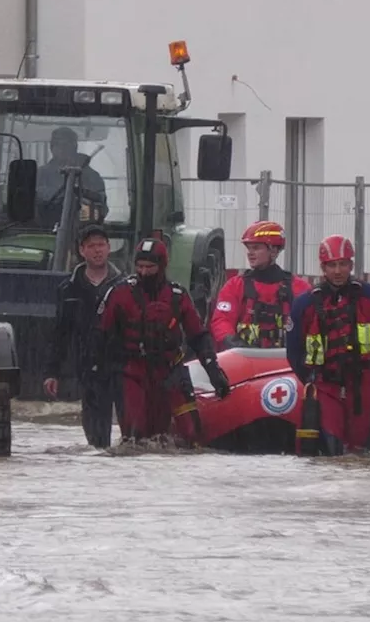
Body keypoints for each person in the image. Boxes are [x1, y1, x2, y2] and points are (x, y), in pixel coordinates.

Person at [97, 237, 231, 446]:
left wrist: (214, 372)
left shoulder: (177, 296)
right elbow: (101, 336)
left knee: (191, 435)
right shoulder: (120, 294)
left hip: (170, 372)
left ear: (162, 266)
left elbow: (198, 336)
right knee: (136, 437)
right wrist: (100, 376)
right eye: (139, 266)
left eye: (149, 267)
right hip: (133, 373)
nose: (143, 272)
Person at [286, 235, 370, 455]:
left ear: (351, 265)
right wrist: (311, 380)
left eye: (343, 264)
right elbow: (294, 350)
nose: (338, 271)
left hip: (361, 381)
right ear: (323, 268)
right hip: (325, 382)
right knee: (332, 446)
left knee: (359, 449)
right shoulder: (304, 304)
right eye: (332, 265)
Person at [43, 225, 125, 448]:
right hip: (87, 365)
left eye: (101, 245)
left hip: (120, 364)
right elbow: (60, 332)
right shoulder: (69, 289)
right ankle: (97, 465)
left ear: (109, 248)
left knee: (129, 424)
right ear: (82, 250)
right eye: (91, 246)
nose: (97, 250)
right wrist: (52, 372)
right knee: (95, 432)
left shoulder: (123, 286)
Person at [210, 220, 312, 350]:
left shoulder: (299, 288)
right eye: (249, 248)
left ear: (274, 251)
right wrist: (233, 342)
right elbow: (221, 320)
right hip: (246, 359)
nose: (250, 253)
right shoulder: (235, 286)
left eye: (256, 248)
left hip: (284, 361)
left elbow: (312, 324)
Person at [35, 127, 108, 226]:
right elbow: (33, 199)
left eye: (66, 145)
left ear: (75, 148)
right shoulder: (40, 174)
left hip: (82, 231)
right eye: (58, 145)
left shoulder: (91, 176)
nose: (62, 149)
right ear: (51, 148)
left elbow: (101, 206)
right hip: (43, 230)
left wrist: (84, 197)